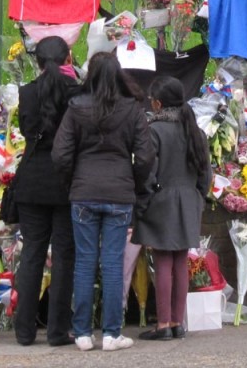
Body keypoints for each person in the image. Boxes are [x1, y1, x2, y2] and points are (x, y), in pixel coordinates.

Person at [52, 51, 155, 352]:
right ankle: (112, 333)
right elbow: (146, 155)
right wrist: (135, 181)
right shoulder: (132, 109)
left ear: (90, 75)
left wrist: (71, 180)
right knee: (112, 262)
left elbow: (60, 154)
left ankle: (82, 332)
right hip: (120, 192)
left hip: (83, 192)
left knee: (84, 262)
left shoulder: (76, 108)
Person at [13, 36, 82, 347]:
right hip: (65, 180)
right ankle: (57, 331)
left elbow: (27, 132)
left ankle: (24, 331)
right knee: (64, 256)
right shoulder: (76, 93)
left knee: (32, 255)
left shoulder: (26, 93)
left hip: (30, 178)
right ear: (69, 57)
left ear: (37, 62)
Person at [132, 76, 212, 340]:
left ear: (157, 103)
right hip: (189, 200)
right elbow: (205, 175)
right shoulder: (196, 131)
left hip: (162, 199)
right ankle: (178, 322)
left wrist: (145, 198)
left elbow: (147, 171)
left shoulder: (154, 130)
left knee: (163, 261)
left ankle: (163, 323)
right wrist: (197, 197)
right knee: (180, 261)